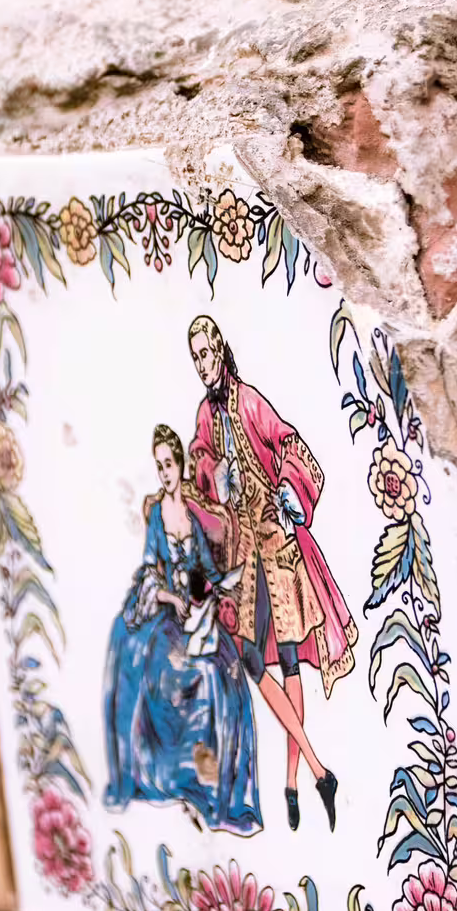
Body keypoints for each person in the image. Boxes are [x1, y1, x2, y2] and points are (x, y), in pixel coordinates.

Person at [186, 315, 355, 832]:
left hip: (275, 545)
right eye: (195, 358)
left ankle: (291, 783)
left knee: (288, 662)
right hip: (241, 555)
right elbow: (199, 470)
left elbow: (287, 443)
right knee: (255, 661)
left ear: (221, 351)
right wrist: (213, 473)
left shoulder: (249, 399)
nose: (203, 365)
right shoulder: (204, 416)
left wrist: (285, 489)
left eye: (207, 354)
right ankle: (318, 769)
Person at [100, 424, 261, 836]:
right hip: (168, 615)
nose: (165, 473)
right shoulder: (157, 514)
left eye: (169, 464)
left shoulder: (190, 515)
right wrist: (174, 601)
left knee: (224, 675)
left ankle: (216, 787)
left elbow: (204, 568)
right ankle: (172, 773)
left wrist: (219, 586)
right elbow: (153, 568)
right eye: (159, 467)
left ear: (181, 464)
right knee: (165, 668)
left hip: (195, 612)